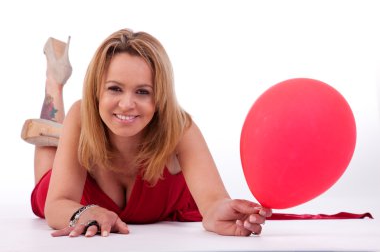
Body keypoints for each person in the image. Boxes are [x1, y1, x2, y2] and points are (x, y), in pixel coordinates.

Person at [21, 28, 272, 238]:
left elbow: (214, 201)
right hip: (81, 192)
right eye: (115, 89)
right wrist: (81, 213)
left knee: (67, 141)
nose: (127, 104)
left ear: (159, 98)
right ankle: (54, 82)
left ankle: (60, 135)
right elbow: (56, 205)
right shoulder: (82, 114)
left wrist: (223, 210)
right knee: (47, 181)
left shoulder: (180, 128)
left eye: (142, 92)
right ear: (97, 91)